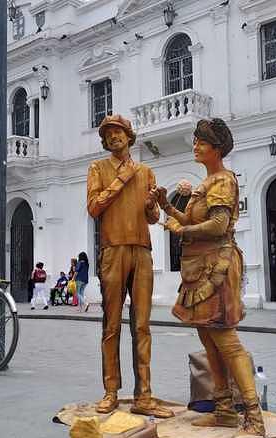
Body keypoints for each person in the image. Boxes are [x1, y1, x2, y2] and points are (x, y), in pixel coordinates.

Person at [155, 118, 264, 436]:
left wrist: (182, 229)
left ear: (217, 148)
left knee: (226, 340)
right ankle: (225, 410)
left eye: (202, 141)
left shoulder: (223, 181)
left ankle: (253, 415)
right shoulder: (205, 183)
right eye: (195, 140)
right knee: (208, 339)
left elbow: (218, 226)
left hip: (217, 266)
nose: (195, 145)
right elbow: (188, 218)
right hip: (198, 266)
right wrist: (166, 206)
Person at [86, 114, 173, 418]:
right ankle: (111, 391)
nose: (113, 137)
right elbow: (94, 207)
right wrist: (122, 179)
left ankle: (144, 395)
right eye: (108, 134)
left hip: (142, 250)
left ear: (129, 136)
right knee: (111, 325)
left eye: (118, 132)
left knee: (142, 326)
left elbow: (151, 218)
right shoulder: (98, 168)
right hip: (113, 250)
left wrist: (152, 205)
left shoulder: (146, 171)